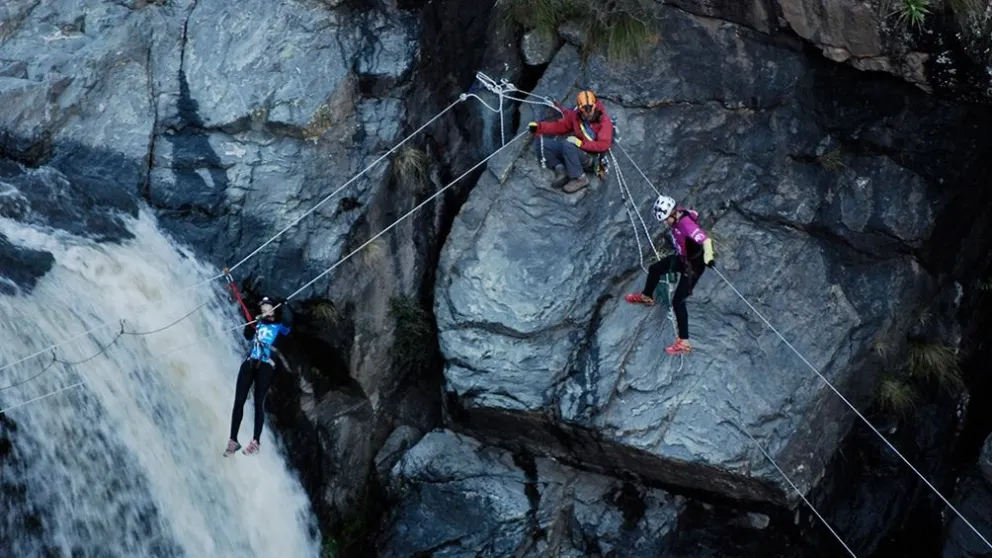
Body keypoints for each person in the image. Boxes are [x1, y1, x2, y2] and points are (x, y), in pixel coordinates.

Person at [624, 195, 715, 355]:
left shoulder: (685, 224)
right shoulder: (680, 213)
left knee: (678, 301)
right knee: (655, 269)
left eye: (666, 220)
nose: (665, 223)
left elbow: (705, 241)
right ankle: (647, 296)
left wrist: (709, 257)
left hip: (693, 267)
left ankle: (684, 342)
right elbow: (693, 213)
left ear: (673, 214)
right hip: (682, 259)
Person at [224, 297, 292, 457]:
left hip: (266, 364)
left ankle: (256, 441)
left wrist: (286, 305)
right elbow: (247, 335)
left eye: (267, 306)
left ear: (274, 309)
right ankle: (233, 440)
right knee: (239, 400)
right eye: (262, 307)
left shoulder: (279, 326)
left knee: (258, 401)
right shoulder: (258, 323)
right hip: (250, 362)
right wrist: (251, 324)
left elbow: (288, 323)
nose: (264, 309)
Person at [528, 90, 614, 194]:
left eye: (590, 109)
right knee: (545, 145)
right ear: (580, 108)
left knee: (568, 145)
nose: (588, 113)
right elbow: (559, 127)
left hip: (590, 158)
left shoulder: (604, 121)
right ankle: (561, 170)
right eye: (584, 110)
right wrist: (539, 127)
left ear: (595, 106)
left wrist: (581, 144)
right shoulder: (575, 117)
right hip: (577, 151)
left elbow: (603, 145)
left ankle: (580, 178)